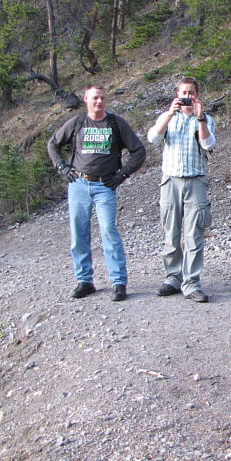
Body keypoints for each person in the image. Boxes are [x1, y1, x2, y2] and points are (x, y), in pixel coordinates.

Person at [47, 84, 146, 301]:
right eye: (94, 98)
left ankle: (118, 282)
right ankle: (84, 280)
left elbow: (138, 151)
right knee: (79, 232)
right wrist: (62, 168)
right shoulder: (77, 123)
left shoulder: (115, 123)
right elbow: (53, 144)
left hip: (105, 186)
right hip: (79, 185)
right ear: (85, 99)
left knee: (109, 230)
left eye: (102, 98)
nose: (99, 102)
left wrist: (122, 175)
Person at [147, 76, 215, 303]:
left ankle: (191, 282)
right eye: (183, 93)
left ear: (197, 95)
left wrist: (201, 119)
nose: (187, 97)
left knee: (194, 233)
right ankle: (172, 277)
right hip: (170, 181)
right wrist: (169, 114)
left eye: (191, 93)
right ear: (177, 94)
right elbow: (152, 138)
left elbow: (208, 145)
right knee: (171, 232)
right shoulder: (168, 118)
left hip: (195, 180)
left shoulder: (204, 119)